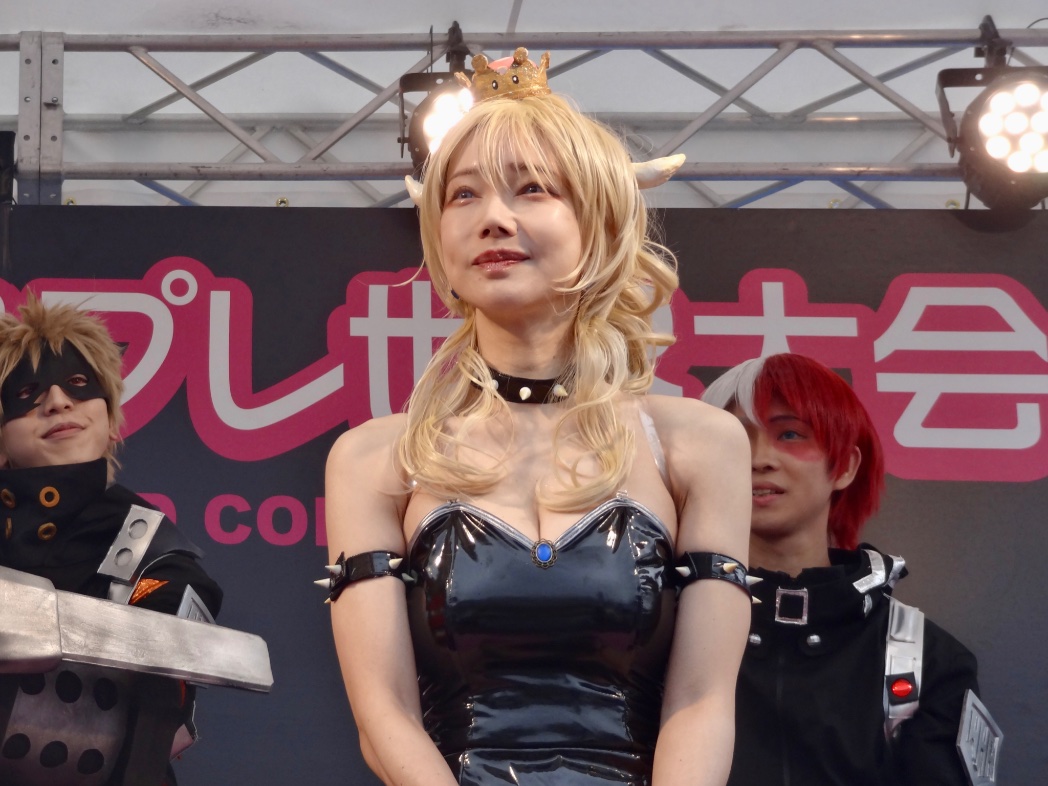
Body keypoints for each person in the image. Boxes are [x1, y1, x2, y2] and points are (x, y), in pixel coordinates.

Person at [322, 48, 753, 786]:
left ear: (600, 221)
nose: (494, 219)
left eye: (531, 190)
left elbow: (702, 701)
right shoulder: (376, 460)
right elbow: (383, 713)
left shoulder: (698, 444)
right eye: (463, 195)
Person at [701, 353, 986, 786]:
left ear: (846, 466)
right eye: (736, 437)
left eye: (790, 434)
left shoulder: (925, 658)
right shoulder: (660, 627)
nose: (759, 458)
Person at [0, 295, 223, 785]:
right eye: (27, 392)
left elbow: (176, 616)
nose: (58, 402)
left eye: (79, 385)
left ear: (108, 411)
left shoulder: (147, 544)